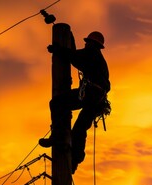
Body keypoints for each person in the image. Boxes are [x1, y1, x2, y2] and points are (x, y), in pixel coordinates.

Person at [39, 31, 110, 174]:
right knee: (80, 128)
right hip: (97, 99)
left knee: (57, 103)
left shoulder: (92, 53)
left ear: (91, 43)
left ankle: (58, 136)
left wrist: (57, 50)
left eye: (87, 42)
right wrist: (69, 41)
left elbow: (74, 57)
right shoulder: (97, 58)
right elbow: (76, 56)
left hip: (91, 94)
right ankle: (75, 160)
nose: (86, 44)